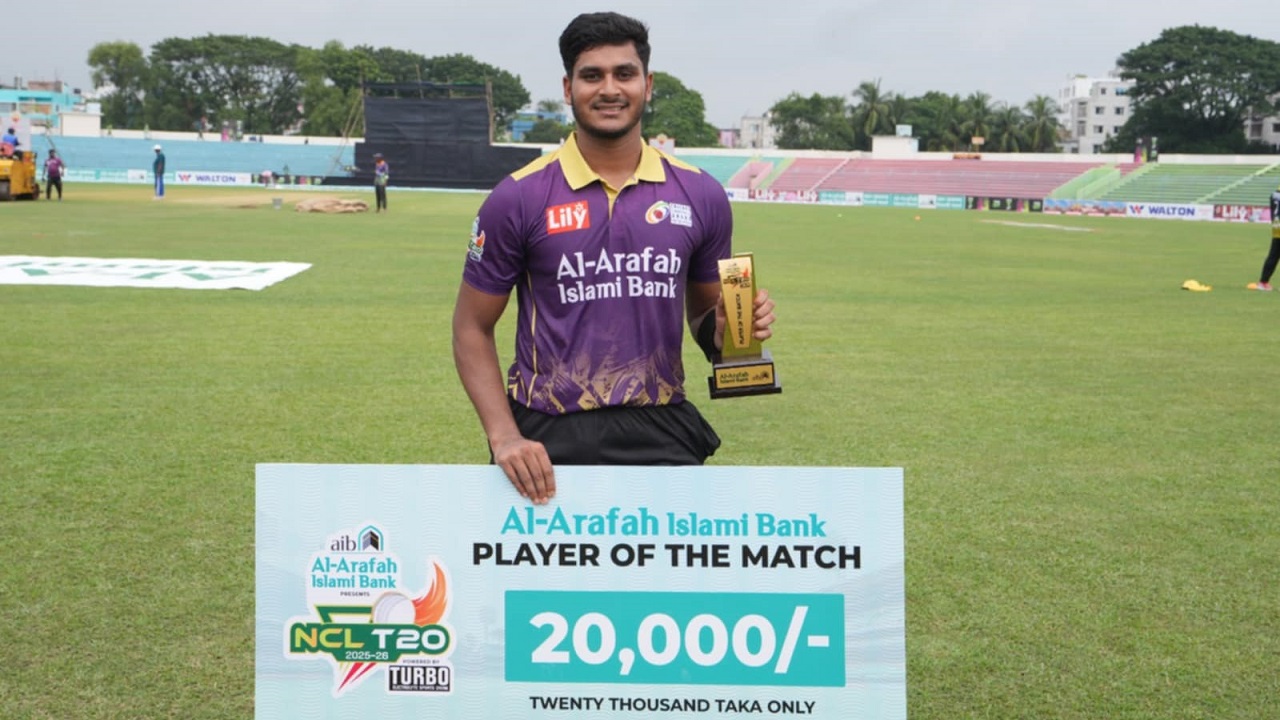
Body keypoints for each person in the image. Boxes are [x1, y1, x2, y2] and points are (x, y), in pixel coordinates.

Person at [451, 11, 776, 505]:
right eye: (592, 75)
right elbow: (470, 327)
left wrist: (731, 330)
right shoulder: (517, 197)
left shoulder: (701, 194)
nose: (609, 89)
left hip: (661, 429)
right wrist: (505, 437)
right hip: (547, 435)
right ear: (568, 88)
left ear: (648, 84)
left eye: (624, 73)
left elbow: (705, 320)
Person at [1250, 184, 1280, 291]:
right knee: (1275, 253)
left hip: (1277, 225)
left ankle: (1263, 282)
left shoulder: (1274, 194)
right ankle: (1263, 282)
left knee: (1274, 253)